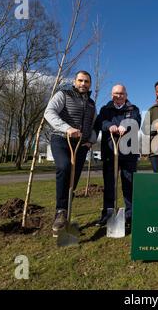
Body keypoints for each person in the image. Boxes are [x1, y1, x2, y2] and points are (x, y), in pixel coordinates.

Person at [44, 70, 97, 233]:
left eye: (86, 81)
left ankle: (66, 208)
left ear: (90, 85)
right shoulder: (63, 94)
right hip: (61, 139)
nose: (83, 84)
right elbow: (49, 112)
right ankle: (60, 211)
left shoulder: (91, 103)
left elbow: (93, 125)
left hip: (81, 145)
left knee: (73, 180)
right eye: (80, 80)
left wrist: (91, 140)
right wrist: (67, 128)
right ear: (74, 82)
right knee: (64, 167)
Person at [94, 84, 141, 227]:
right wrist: (109, 126)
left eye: (121, 93)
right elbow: (100, 122)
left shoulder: (133, 109)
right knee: (109, 185)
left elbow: (136, 122)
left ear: (126, 95)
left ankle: (130, 216)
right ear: (111, 95)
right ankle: (107, 215)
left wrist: (125, 125)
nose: (118, 96)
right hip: (110, 151)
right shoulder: (105, 109)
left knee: (129, 185)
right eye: (116, 93)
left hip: (129, 153)